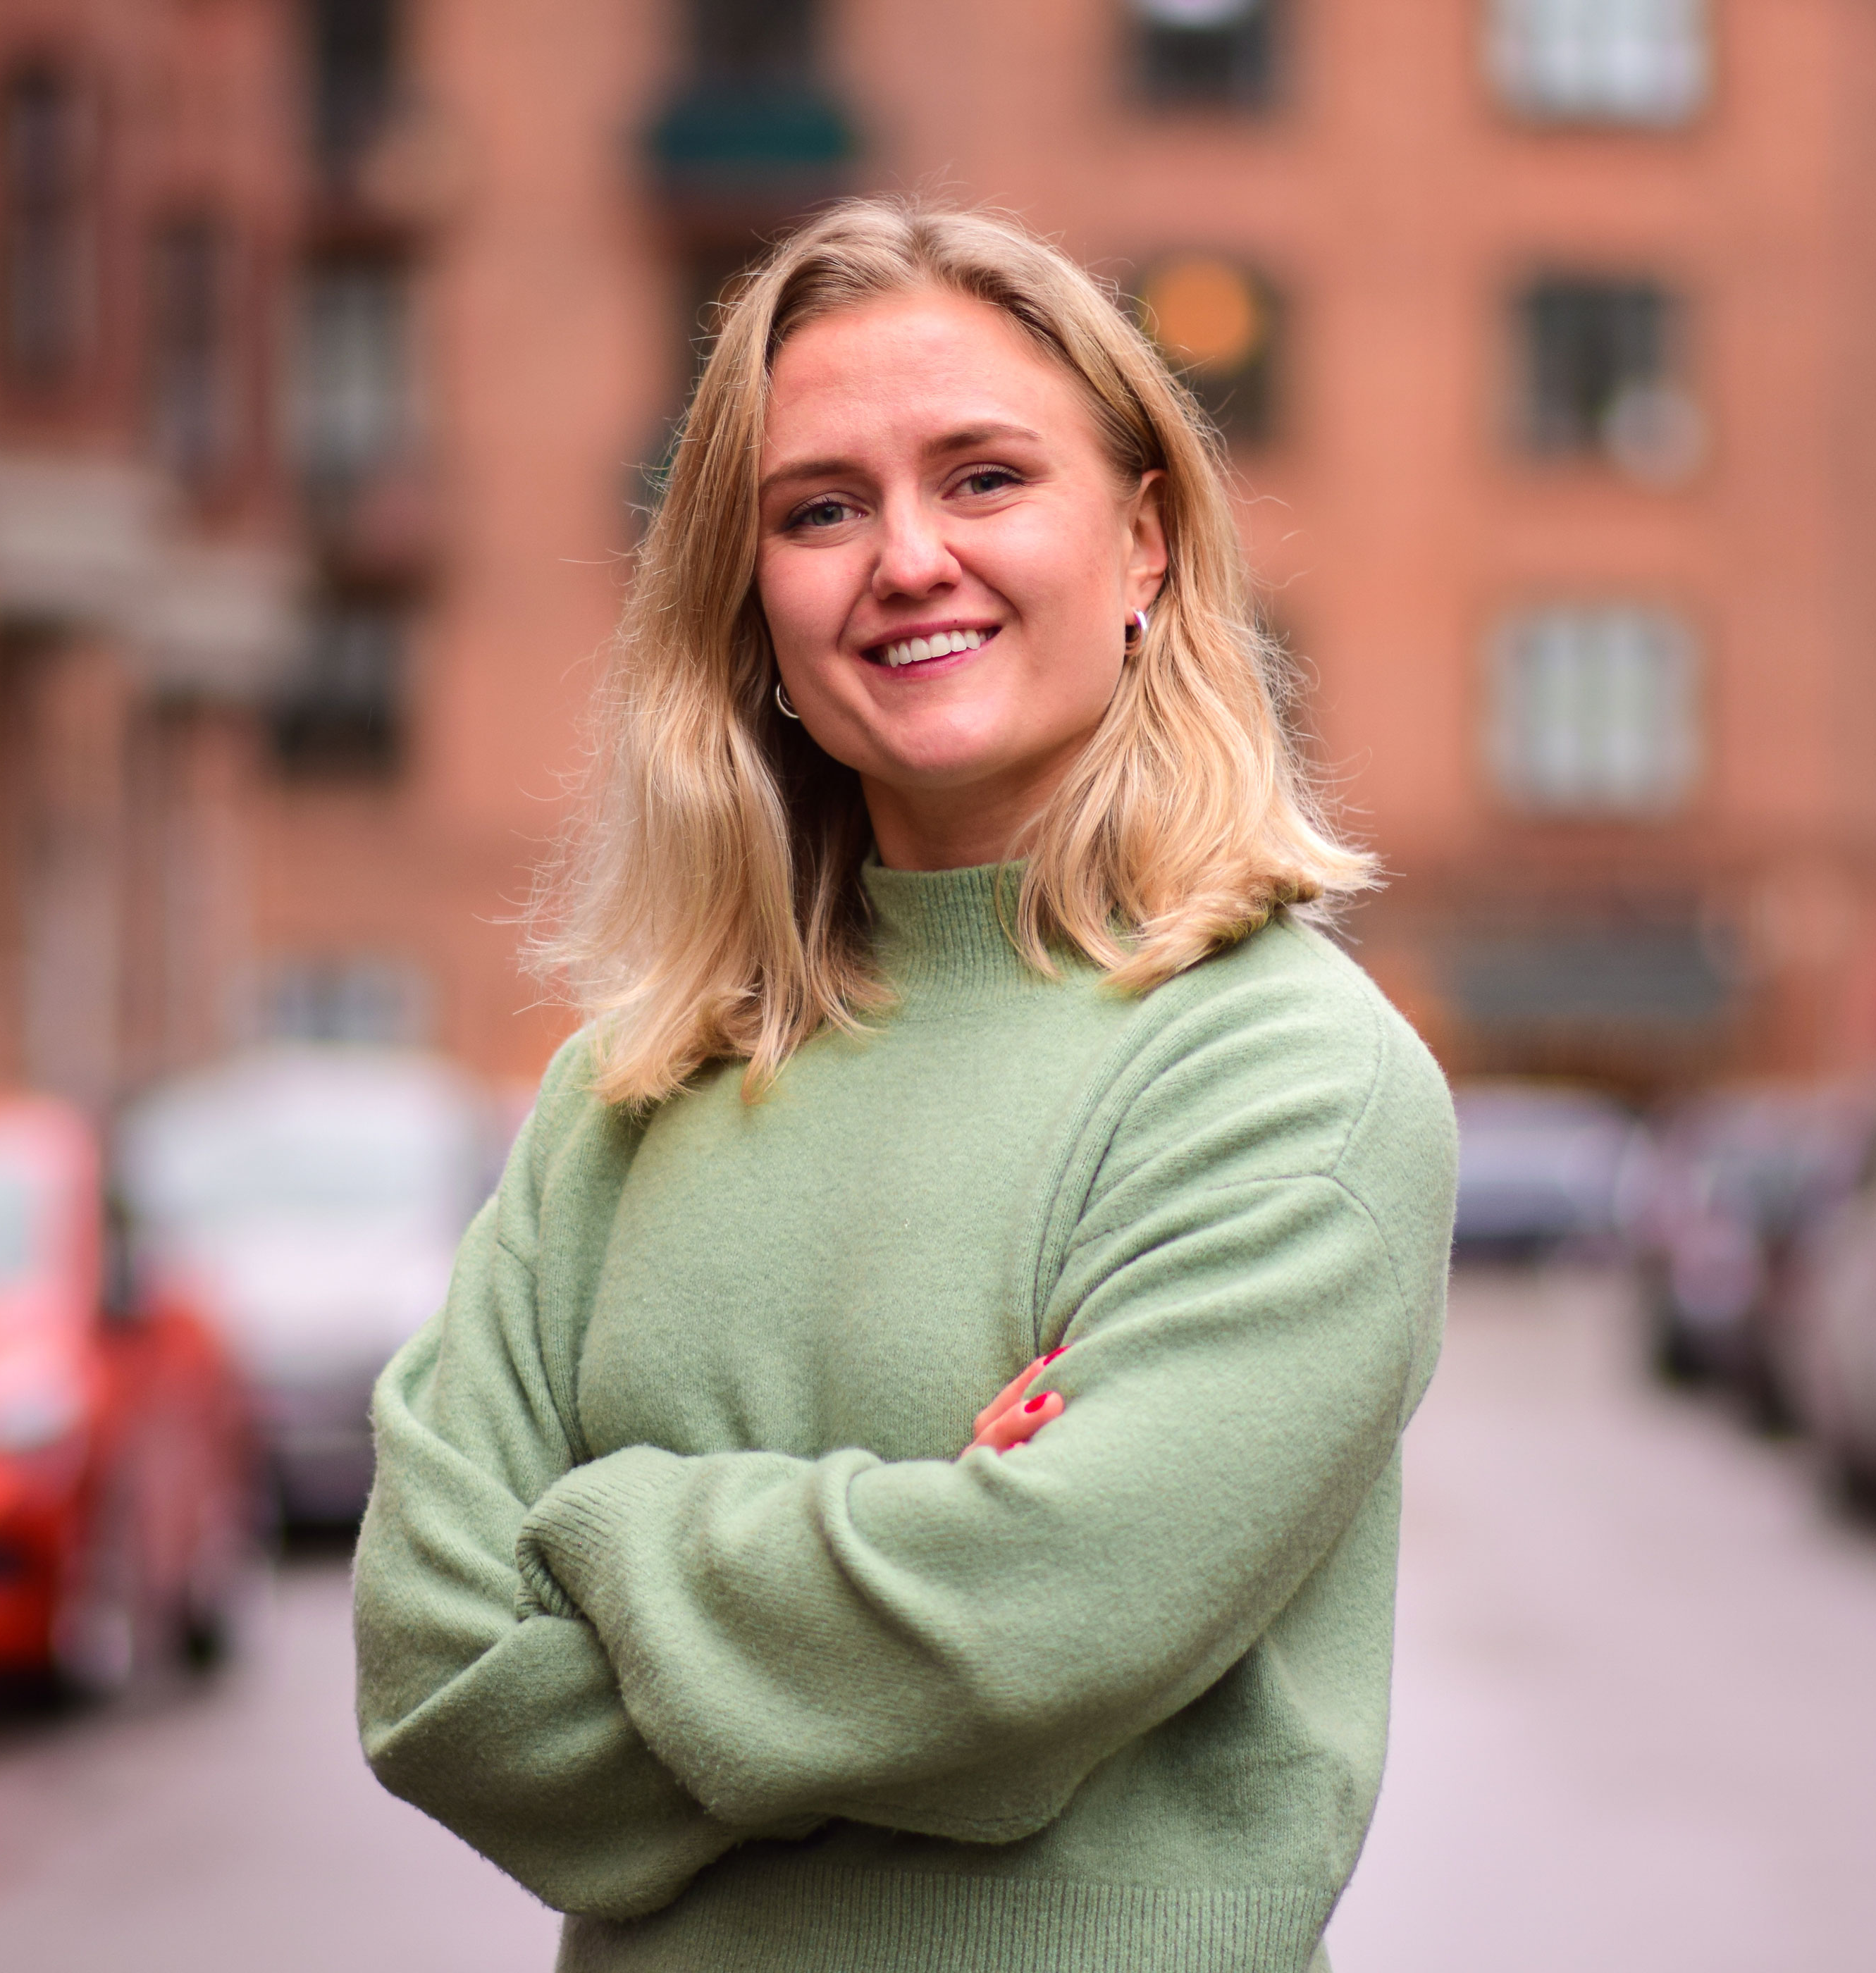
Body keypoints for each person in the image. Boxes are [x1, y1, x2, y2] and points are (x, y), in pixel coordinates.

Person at [353, 198, 1459, 1973]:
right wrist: (908, 1584)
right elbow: (436, 1675)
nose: (907, 558)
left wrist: (613, 1529)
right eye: (821, 509)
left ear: (1147, 541)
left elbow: (1035, 1623)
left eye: (986, 478)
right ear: (751, 602)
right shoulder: (626, 1090)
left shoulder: (1284, 1077)